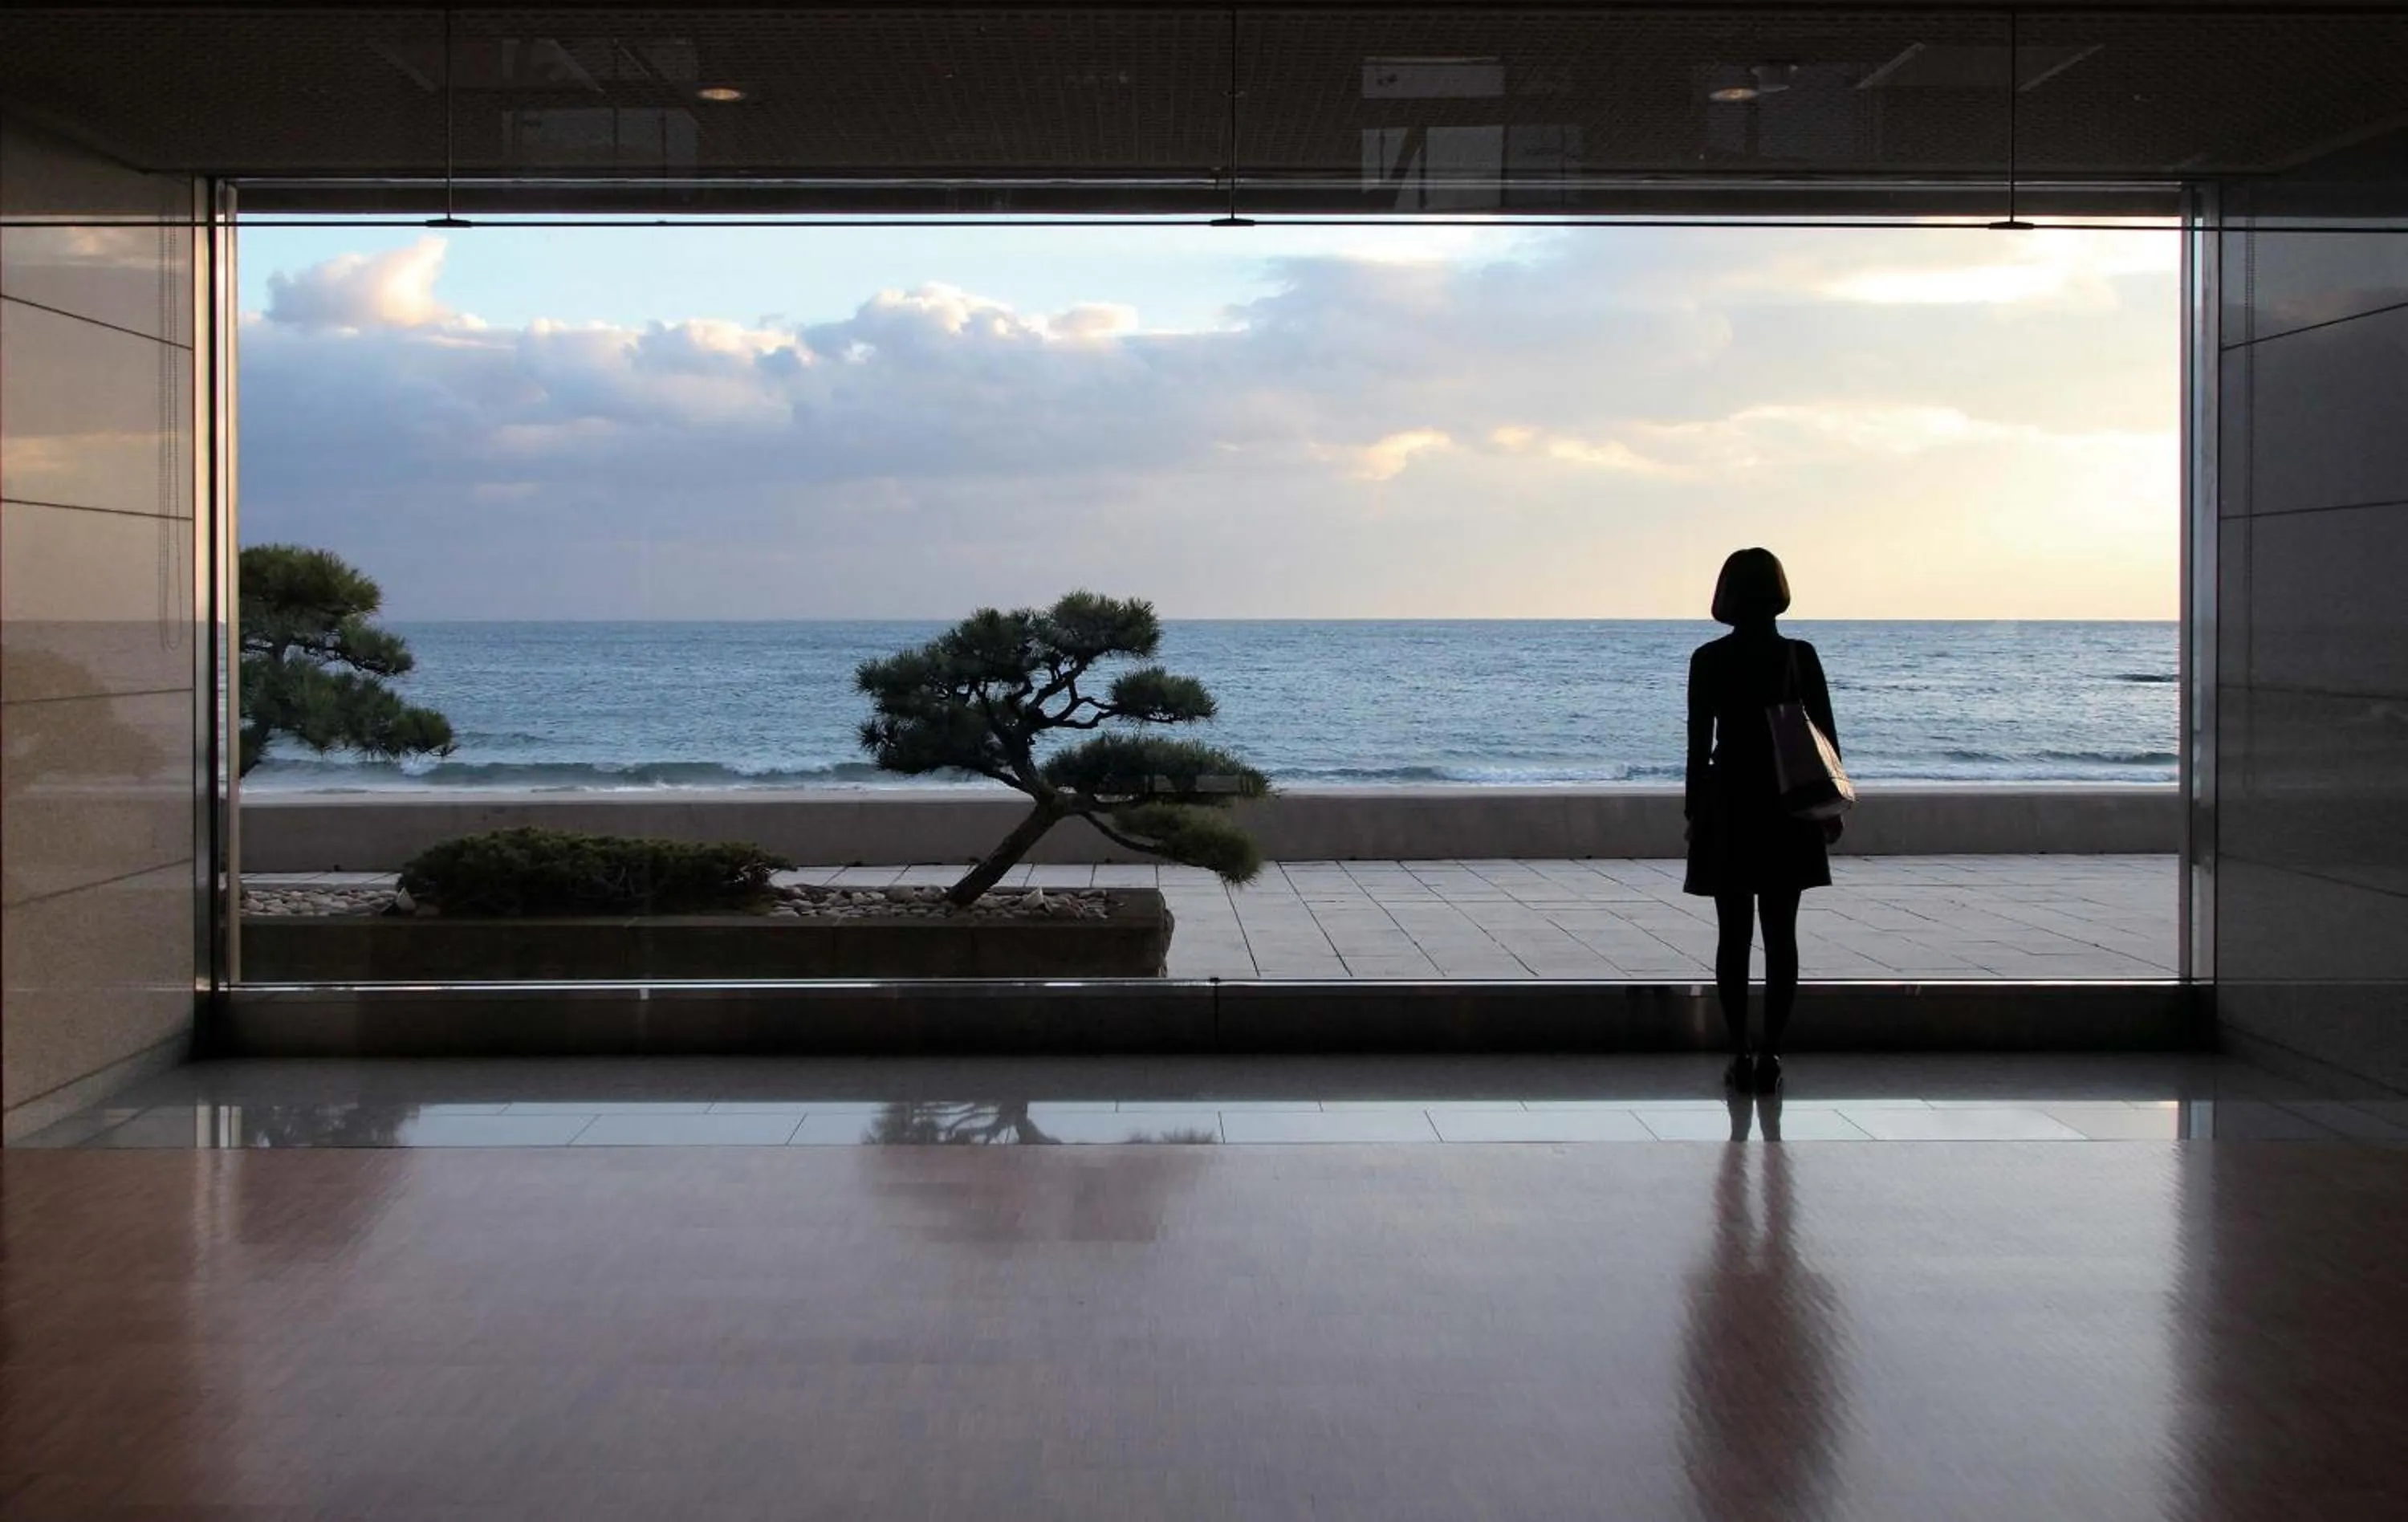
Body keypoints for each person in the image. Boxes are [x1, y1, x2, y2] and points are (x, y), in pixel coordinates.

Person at [1683, 548, 1842, 1093]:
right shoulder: (1800, 656)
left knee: (1733, 935)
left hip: (1729, 802)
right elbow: (1824, 739)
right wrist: (1829, 811)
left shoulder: (1708, 660)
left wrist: (1693, 813)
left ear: (1726, 595)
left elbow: (1697, 747)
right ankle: (1772, 1052)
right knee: (1781, 935)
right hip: (1788, 804)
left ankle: (1738, 1050)